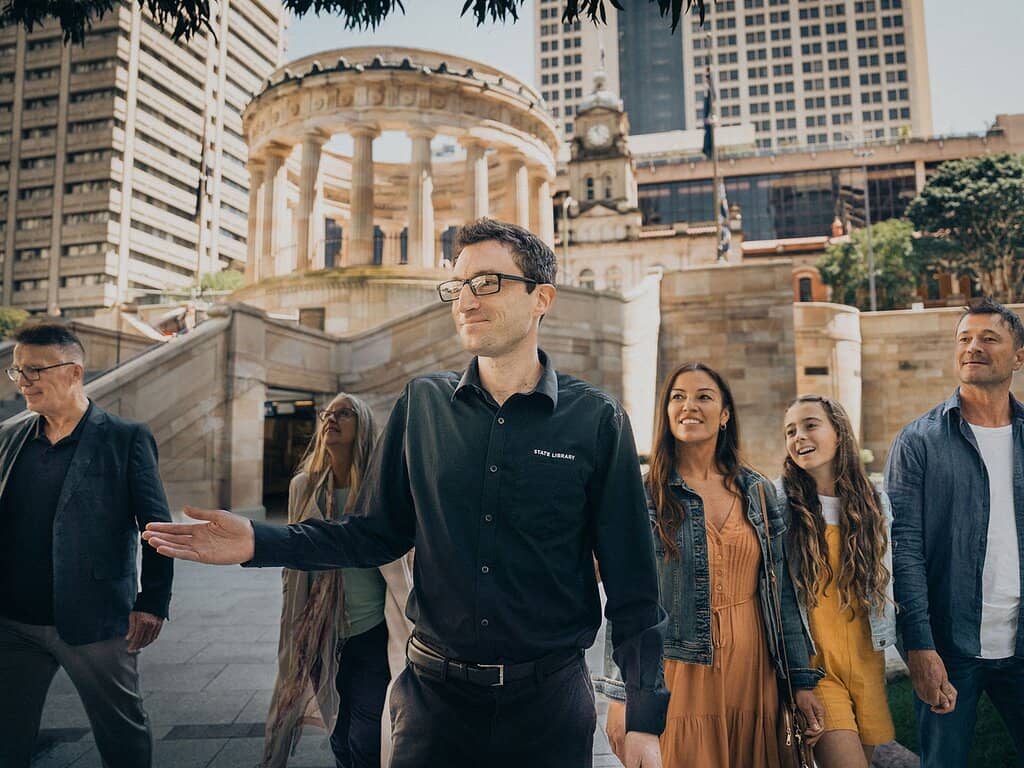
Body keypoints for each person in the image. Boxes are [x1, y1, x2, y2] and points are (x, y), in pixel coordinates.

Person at [145, 218, 669, 768]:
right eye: (457, 286)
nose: (466, 300)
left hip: (549, 707)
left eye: (486, 283)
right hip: (435, 704)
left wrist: (643, 719)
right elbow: (374, 534)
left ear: (542, 298)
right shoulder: (422, 405)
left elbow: (634, 586)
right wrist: (260, 541)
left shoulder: (596, 420)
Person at [599, 361, 824, 768]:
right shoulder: (644, 494)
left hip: (752, 668)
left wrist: (801, 681)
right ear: (667, 413)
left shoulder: (757, 491)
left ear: (724, 415)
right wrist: (622, 696)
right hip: (675, 672)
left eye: (704, 397)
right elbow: (628, 602)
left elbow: (783, 596)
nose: (689, 406)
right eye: (678, 397)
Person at [0, 323, 173, 768]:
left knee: (122, 734)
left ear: (74, 372)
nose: (23, 381)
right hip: (14, 621)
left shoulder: (125, 437)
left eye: (35, 370)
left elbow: (156, 526)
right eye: (17, 371)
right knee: (7, 737)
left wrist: (152, 602)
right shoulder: (9, 438)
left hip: (96, 619)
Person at [885, 297, 1024, 767]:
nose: (973, 347)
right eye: (964, 338)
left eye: (989, 338)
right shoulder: (918, 441)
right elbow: (904, 552)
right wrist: (919, 647)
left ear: (1018, 357)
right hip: (949, 645)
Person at [262, 392, 414, 768]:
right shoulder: (303, 486)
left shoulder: (379, 490)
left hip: (371, 631)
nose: (331, 419)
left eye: (343, 413)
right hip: (320, 632)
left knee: (366, 735)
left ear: (363, 425)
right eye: (327, 413)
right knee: (339, 731)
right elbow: (294, 556)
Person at [777, 394, 896, 767]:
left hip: (868, 661)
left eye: (810, 425)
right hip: (816, 668)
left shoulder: (874, 502)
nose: (798, 436)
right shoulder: (778, 503)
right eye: (790, 431)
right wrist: (797, 677)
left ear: (839, 433)